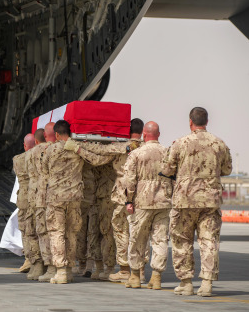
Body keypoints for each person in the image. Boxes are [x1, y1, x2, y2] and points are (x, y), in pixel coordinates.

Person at [161, 107, 232, 297]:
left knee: (182, 240)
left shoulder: (180, 143)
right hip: (210, 201)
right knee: (209, 241)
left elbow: (167, 169)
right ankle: (207, 283)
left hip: (185, 199)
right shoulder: (219, 144)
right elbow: (227, 169)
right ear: (207, 122)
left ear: (190, 122)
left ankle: (186, 283)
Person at [66, 118, 146, 283]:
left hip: (123, 196)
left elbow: (96, 158)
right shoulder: (151, 148)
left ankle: (123, 270)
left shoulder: (121, 147)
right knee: (141, 233)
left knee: (118, 231)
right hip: (145, 196)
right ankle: (140, 272)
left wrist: (77, 146)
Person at [122, 121, 172, 290]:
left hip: (142, 202)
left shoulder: (136, 153)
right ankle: (156, 277)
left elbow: (130, 179)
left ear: (144, 134)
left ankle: (135, 276)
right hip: (163, 201)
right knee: (160, 240)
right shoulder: (167, 152)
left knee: (137, 239)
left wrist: (129, 200)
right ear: (158, 134)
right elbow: (173, 176)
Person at [42, 120, 84, 284]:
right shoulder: (77, 147)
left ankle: (60, 271)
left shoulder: (50, 150)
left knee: (57, 232)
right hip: (74, 196)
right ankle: (69, 269)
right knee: (71, 233)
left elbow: (44, 169)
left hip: (56, 198)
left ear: (57, 134)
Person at [34, 123, 57, 282]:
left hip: (41, 197)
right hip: (59, 196)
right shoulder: (63, 149)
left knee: (44, 233)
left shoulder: (30, 154)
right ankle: (64, 267)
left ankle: (48, 267)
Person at [24, 129, 46, 280]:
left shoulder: (22, 158)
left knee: (32, 232)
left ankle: (37, 265)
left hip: (34, 199)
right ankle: (53, 266)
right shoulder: (58, 150)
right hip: (50, 197)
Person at [12, 134, 36, 273]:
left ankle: (29, 259)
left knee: (27, 231)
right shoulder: (43, 156)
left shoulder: (18, 159)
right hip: (41, 197)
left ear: (25, 145)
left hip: (24, 199)